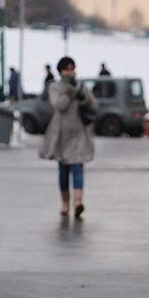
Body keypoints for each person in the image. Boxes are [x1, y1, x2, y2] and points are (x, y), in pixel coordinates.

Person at [39, 56, 97, 218]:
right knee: (63, 169)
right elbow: (59, 106)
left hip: (79, 131)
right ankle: (65, 203)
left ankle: (78, 203)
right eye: (66, 69)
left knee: (78, 167)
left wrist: (83, 97)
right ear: (60, 71)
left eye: (72, 69)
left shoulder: (81, 86)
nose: (70, 72)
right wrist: (69, 94)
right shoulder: (55, 87)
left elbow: (93, 106)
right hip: (61, 132)